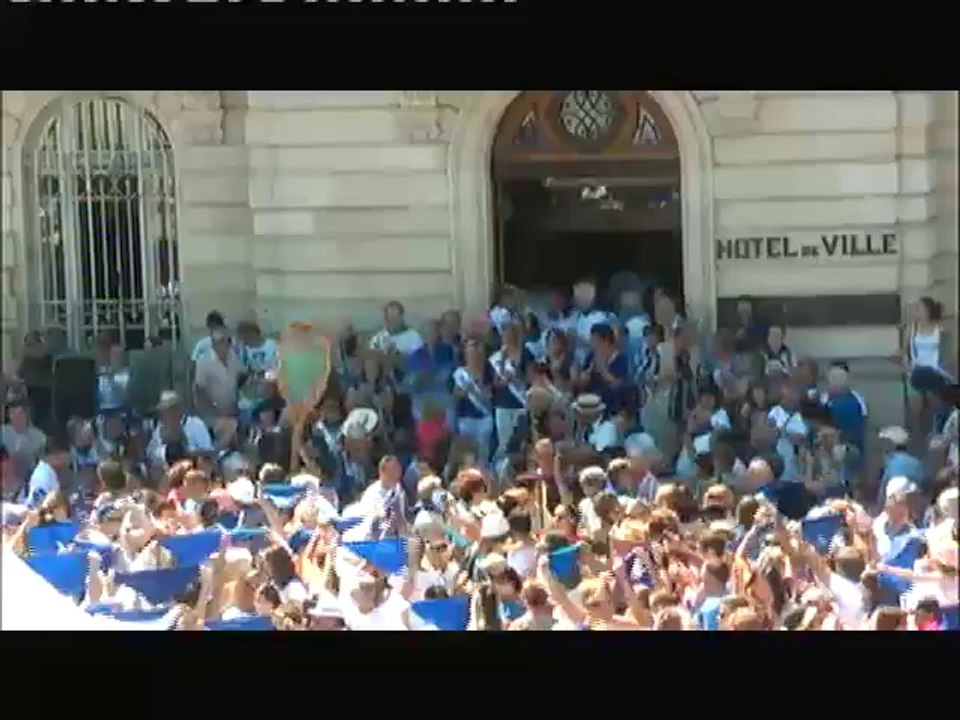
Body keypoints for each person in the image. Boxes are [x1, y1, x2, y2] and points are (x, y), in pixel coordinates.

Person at [901, 297, 953, 438]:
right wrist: (907, 364)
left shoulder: (940, 329)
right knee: (915, 405)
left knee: (936, 404)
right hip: (916, 371)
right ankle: (916, 436)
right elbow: (905, 351)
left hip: (936, 371)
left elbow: (947, 351)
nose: (916, 310)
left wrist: (947, 369)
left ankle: (936, 433)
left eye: (919, 307)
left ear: (928, 310)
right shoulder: (912, 329)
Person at [145, 391, 214, 469]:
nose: (165, 414)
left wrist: (185, 453)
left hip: (194, 470)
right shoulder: (159, 429)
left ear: (177, 408)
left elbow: (209, 453)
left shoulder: (195, 424)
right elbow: (150, 455)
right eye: (163, 410)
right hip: (168, 474)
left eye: (169, 409)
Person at [193, 327, 245, 426]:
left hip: (234, 411)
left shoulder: (235, 359)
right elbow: (199, 393)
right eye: (221, 341)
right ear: (213, 344)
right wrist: (217, 412)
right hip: (212, 415)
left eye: (228, 341)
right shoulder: (203, 362)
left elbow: (242, 381)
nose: (225, 344)